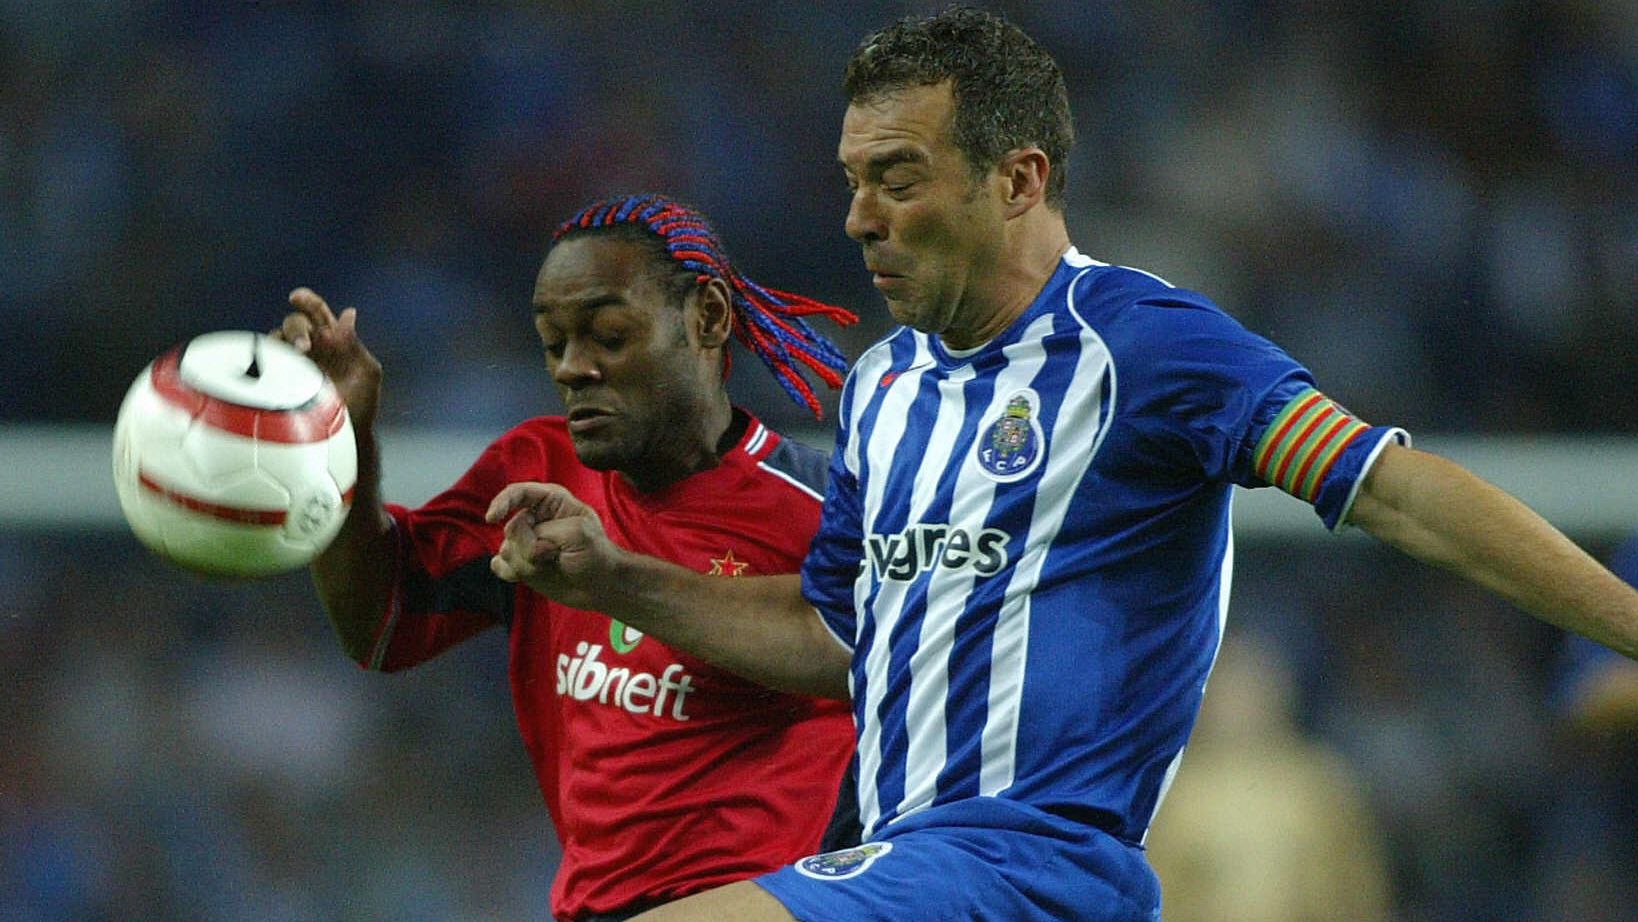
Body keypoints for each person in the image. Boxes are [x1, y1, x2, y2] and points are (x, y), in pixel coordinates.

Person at [484, 9, 1638, 921]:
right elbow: (834, 644)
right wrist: (612, 578)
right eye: (851, 180)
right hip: (896, 868)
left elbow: (1396, 489)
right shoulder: (885, 387)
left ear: (1020, 178)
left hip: (1035, 870)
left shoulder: (1144, 347)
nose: (857, 219)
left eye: (897, 176)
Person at [275, 193, 861, 922]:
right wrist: (342, 436)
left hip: (770, 901)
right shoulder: (534, 470)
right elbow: (381, 622)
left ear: (707, 319)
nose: (574, 368)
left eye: (609, 336)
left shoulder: (820, 512)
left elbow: (886, 682)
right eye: (554, 344)